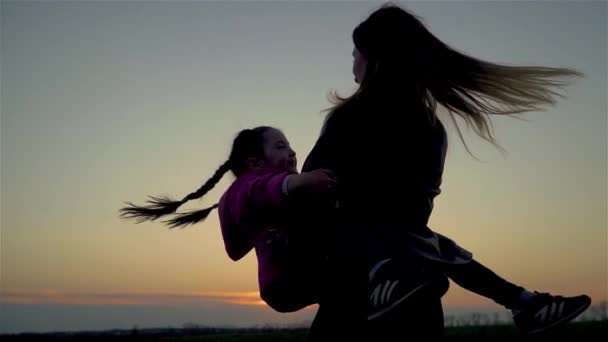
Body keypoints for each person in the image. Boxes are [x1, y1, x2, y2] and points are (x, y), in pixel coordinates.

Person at [300, 3, 591, 340]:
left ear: (374, 59)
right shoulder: (431, 127)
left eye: (355, 54)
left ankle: (523, 301)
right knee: (444, 248)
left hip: (355, 299)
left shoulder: (350, 118)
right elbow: (414, 214)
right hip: (420, 292)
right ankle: (523, 301)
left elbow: (311, 195)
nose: (352, 63)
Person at [119, 126, 338, 312]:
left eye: (289, 146)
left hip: (286, 283)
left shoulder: (275, 198)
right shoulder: (248, 185)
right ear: (254, 163)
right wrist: (297, 182)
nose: (292, 152)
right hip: (290, 277)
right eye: (281, 147)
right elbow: (261, 189)